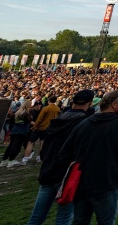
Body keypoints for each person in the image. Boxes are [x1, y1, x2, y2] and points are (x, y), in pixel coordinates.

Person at [58, 90, 118, 225]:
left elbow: (64, 153)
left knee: (79, 221)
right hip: (106, 181)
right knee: (106, 221)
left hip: (81, 180)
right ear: (114, 104)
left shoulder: (84, 123)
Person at [26, 89, 94, 225]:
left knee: (37, 216)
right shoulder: (84, 123)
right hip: (66, 173)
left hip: (48, 170)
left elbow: (44, 148)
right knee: (64, 217)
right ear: (90, 103)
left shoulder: (59, 118)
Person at [24, 96, 60, 164]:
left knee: (30, 142)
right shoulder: (57, 109)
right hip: (49, 128)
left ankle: (26, 157)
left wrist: (35, 126)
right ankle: (39, 157)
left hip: (40, 127)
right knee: (42, 143)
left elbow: (40, 118)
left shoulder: (46, 108)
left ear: (49, 101)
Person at [0, 100, 33, 167]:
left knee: (11, 146)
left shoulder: (17, 112)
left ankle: (4, 160)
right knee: (16, 146)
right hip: (22, 131)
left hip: (15, 130)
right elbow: (30, 122)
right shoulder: (26, 113)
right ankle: (11, 160)